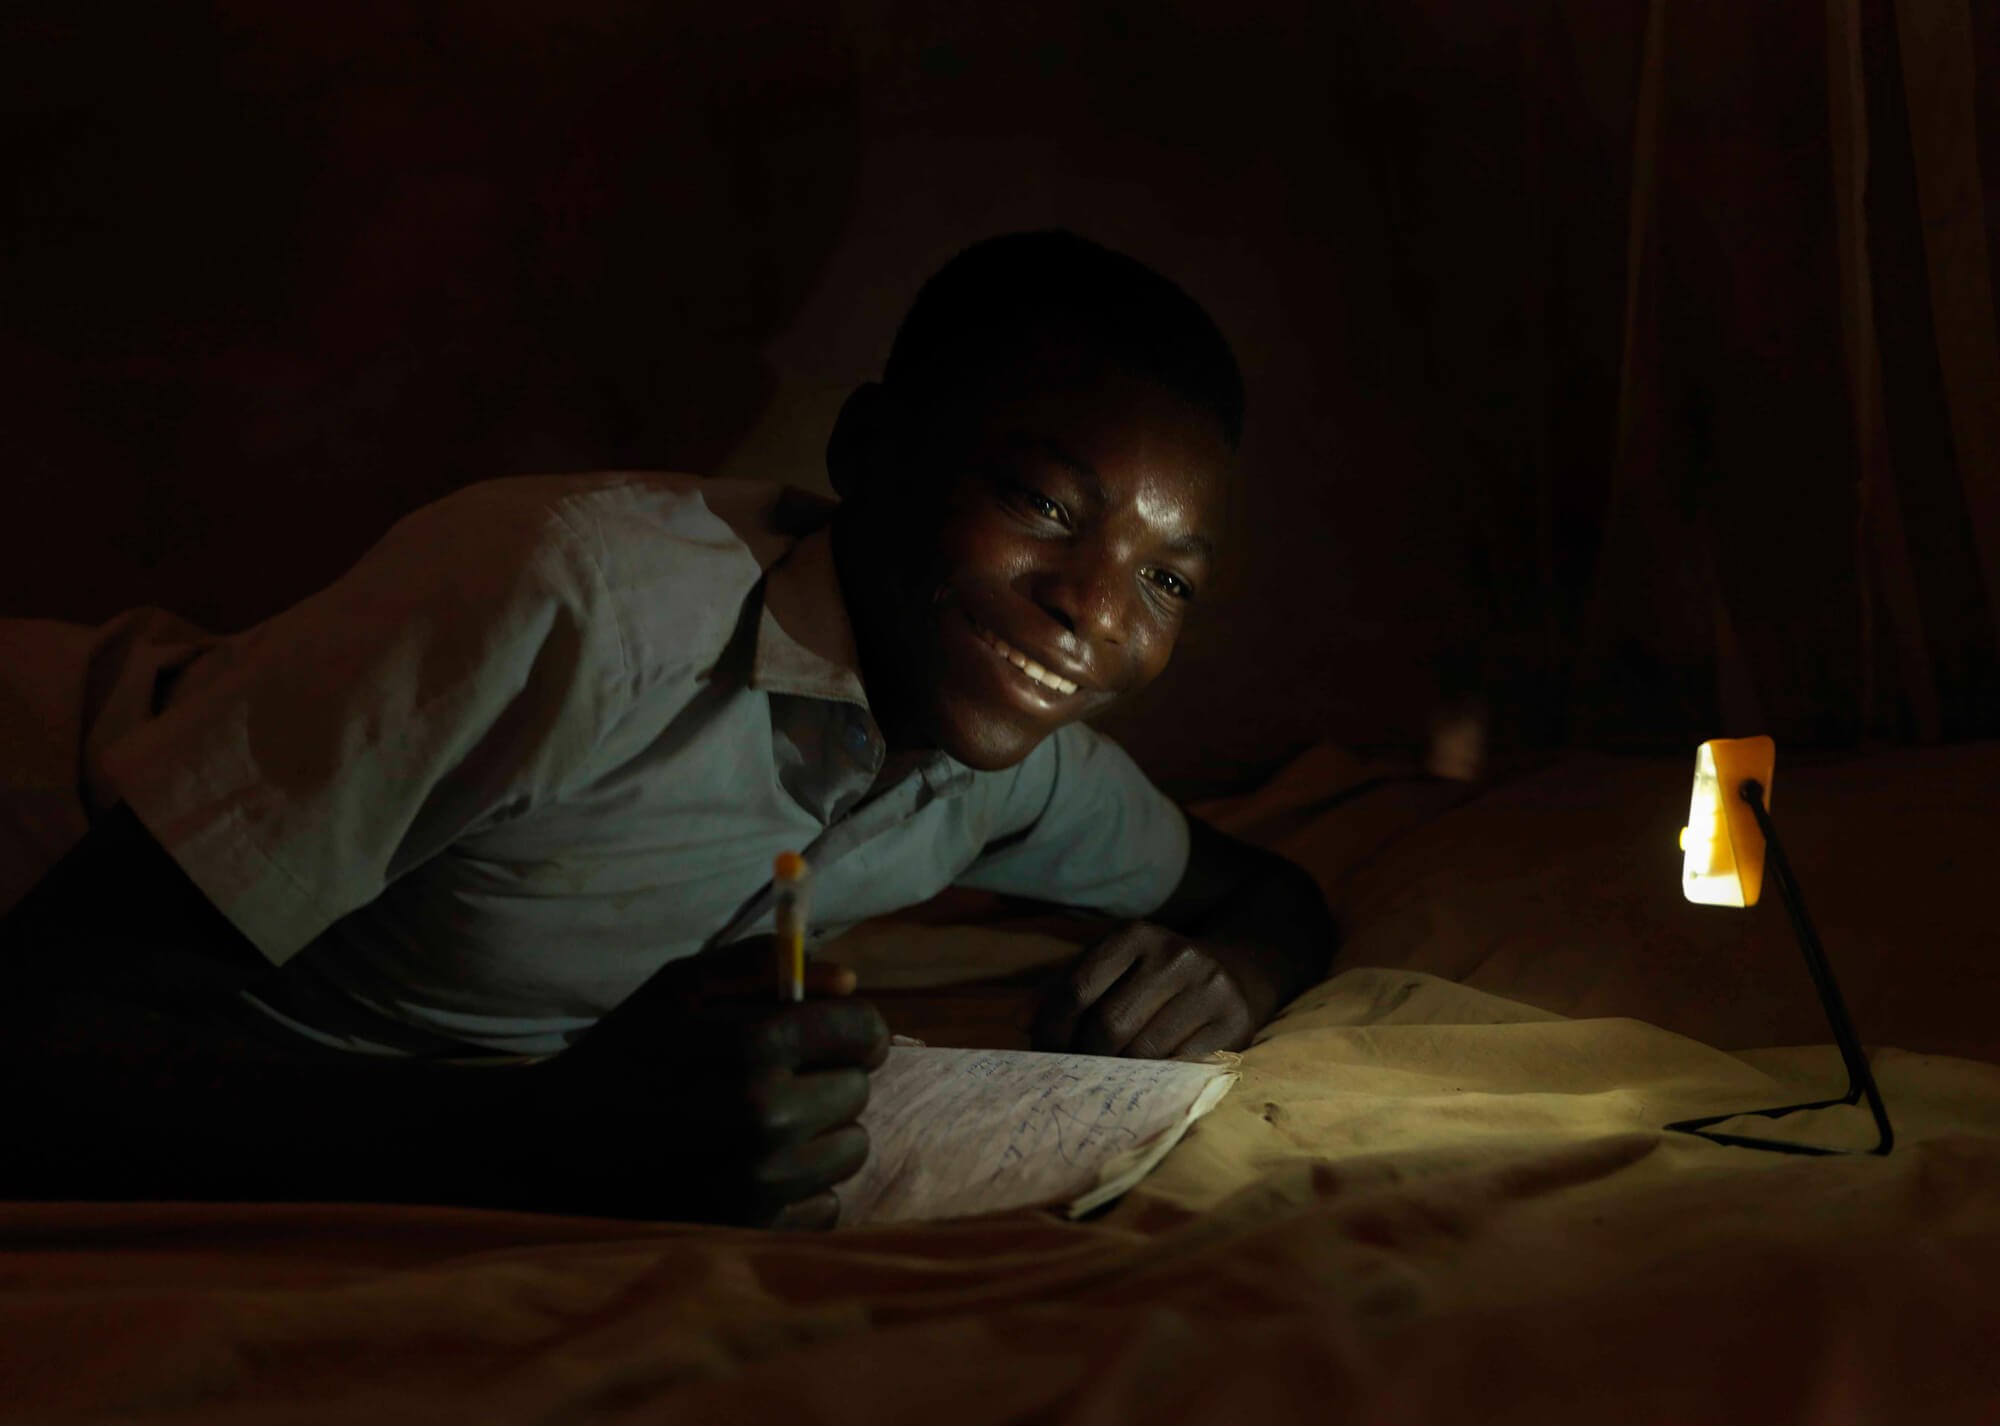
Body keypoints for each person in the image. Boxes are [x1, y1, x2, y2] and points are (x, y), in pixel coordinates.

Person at [0, 231, 1334, 1227]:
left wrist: (1243, 972)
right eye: (1044, 504)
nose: (1093, 614)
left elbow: (1264, 892)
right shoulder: (568, 605)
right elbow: (40, 1037)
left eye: (1168, 580)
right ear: (869, 452)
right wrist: (543, 1143)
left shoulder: (1012, 768)